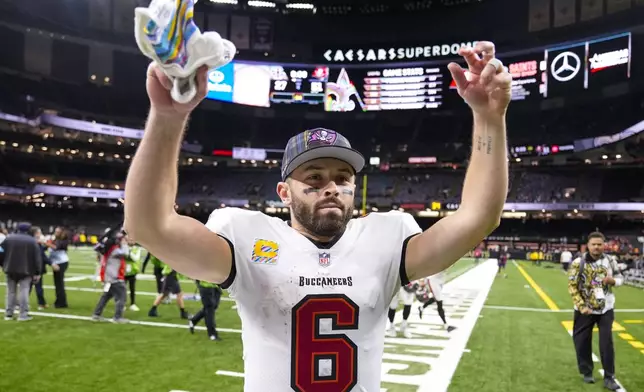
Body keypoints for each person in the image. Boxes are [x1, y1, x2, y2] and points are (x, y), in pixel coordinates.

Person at [124, 41, 511, 391]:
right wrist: (168, 117)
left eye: (343, 178)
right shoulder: (248, 239)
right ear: (283, 192)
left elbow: (479, 217)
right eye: (314, 177)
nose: (331, 187)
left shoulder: (386, 239)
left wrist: (489, 118)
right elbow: (149, 227)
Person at [568, 232, 623, 391]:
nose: (597, 247)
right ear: (588, 245)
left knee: (607, 342)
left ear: (604, 245)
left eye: (600, 244)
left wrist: (614, 281)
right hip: (584, 309)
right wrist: (581, 305)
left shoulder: (611, 261)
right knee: (582, 341)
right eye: (594, 244)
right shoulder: (579, 263)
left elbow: (621, 278)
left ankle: (609, 377)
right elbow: (572, 286)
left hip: (606, 308)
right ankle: (587, 372)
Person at [2, 222, 42, 321]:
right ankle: (23, 315)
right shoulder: (32, 241)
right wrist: (38, 272)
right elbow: (37, 258)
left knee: (11, 292)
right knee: (24, 291)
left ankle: (8, 314)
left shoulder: (9, 238)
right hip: (26, 269)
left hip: (10, 268)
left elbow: (0, 251)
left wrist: (3, 264)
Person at [92, 230, 130, 323]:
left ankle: (96, 314)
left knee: (105, 296)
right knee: (122, 297)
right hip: (115, 278)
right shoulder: (115, 250)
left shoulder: (108, 250)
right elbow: (126, 253)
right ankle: (117, 317)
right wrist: (124, 243)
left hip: (108, 277)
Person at [46, 227, 70, 308]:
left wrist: (45, 242)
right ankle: (59, 301)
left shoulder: (63, 240)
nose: (55, 233)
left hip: (61, 262)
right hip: (57, 262)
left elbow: (56, 247)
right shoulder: (56, 239)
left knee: (59, 283)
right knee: (57, 284)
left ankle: (61, 303)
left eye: (57, 232)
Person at [29, 226, 52, 309]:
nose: (40, 234)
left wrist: (45, 245)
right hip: (36, 268)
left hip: (29, 267)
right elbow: (42, 255)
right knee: (37, 286)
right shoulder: (35, 242)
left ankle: (21, 303)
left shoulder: (31, 241)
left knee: (28, 286)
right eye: (39, 232)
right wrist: (51, 263)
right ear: (35, 233)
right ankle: (41, 304)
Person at [124, 239, 144, 311]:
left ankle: (132, 304)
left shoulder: (137, 249)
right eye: (130, 240)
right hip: (124, 271)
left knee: (132, 288)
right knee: (123, 289)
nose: (131, 241)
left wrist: (128, 252)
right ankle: (123, 303)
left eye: (132, 240)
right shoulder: (124, 247)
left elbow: (135, 258)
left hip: (133, 271)